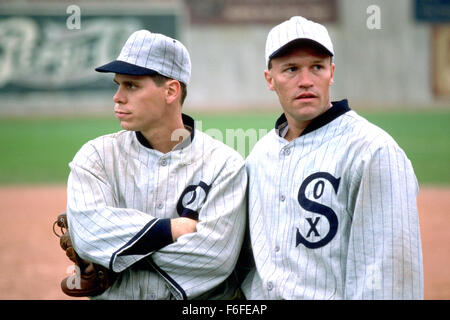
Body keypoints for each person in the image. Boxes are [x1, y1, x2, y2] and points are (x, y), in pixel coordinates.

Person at [240, 16, 423, 299]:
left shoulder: (373, 151)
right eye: (291, 69)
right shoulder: (260, 155)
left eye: (317, 67)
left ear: (332, 72)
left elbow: (389, 277)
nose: (305, 81)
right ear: (270, 79)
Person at [60, 29, 247, 300]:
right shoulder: (96, 157)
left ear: (171, 91)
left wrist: (114, 255)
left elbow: (214, 258)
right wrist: (172, 229)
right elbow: (88, 236)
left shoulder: (225, 164)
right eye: (118, 84)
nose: (117, 97)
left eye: (131, 85)